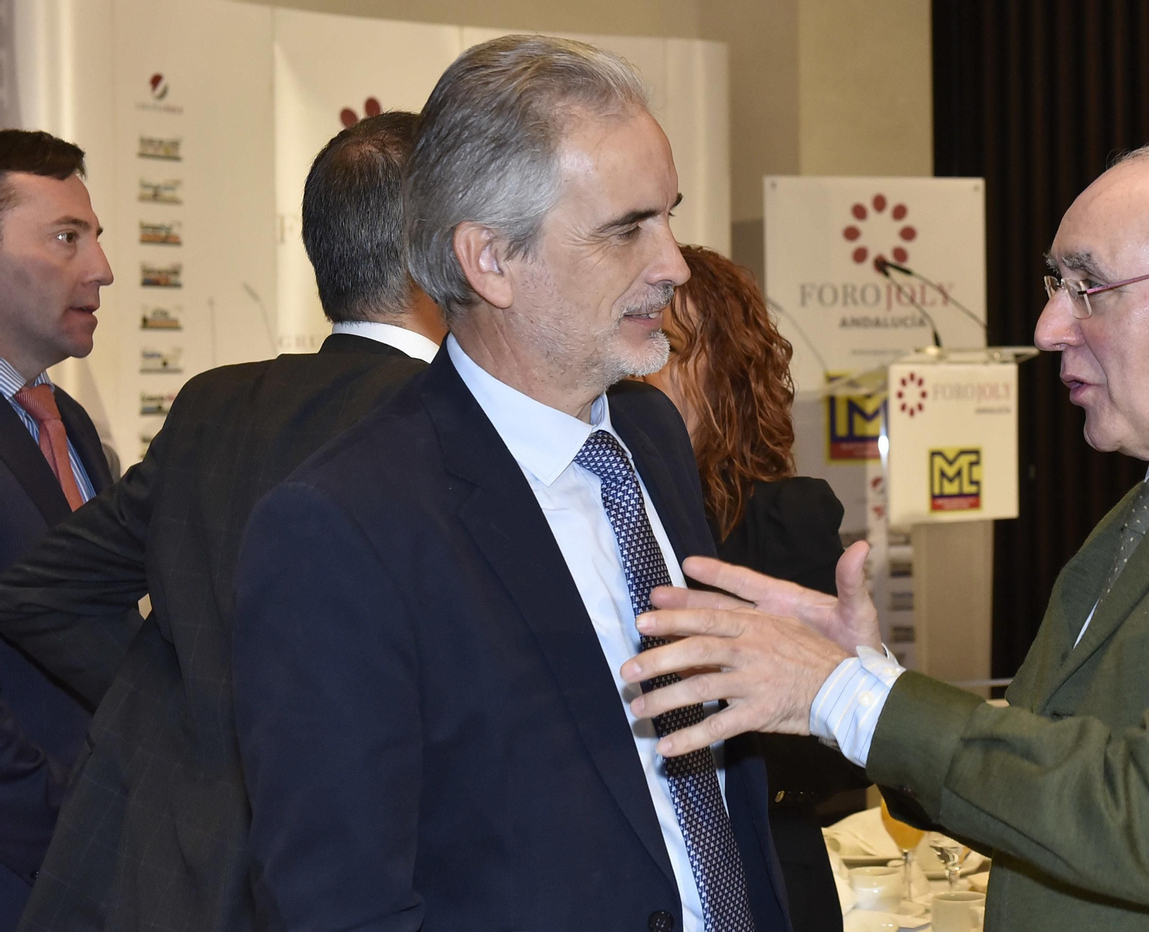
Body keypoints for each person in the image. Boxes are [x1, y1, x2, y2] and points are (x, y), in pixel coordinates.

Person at [623, 135, 1149, 930]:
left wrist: (849, 695)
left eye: (1086, 287)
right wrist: (868, 675)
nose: (1048, 327)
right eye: (1054, 286)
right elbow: (1043, 777)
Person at [230, 36, 788, 932]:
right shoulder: (343, 526)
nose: (675, 264)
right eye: (627, 229)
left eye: (669, 217)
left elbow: (711, 790)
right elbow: (342, 903)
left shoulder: (649, 437)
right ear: (490, 260)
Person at [0, 111, 440, 932]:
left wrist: (193, 717)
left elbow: (45, 595)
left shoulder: (206, 408)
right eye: (66, 237)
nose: (102, 268)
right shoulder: (461, 424)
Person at [642, 244, 868, 932]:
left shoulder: (782, 516)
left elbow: (837, 763)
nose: (643, 370)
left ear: (725, 373)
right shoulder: (591, 511)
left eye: (668, 346)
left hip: (769, 874)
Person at [0, 129, 116, 927]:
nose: (102, 269)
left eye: (96, 238)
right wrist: (75, 836)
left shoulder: (68, 422)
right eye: (67, 238)